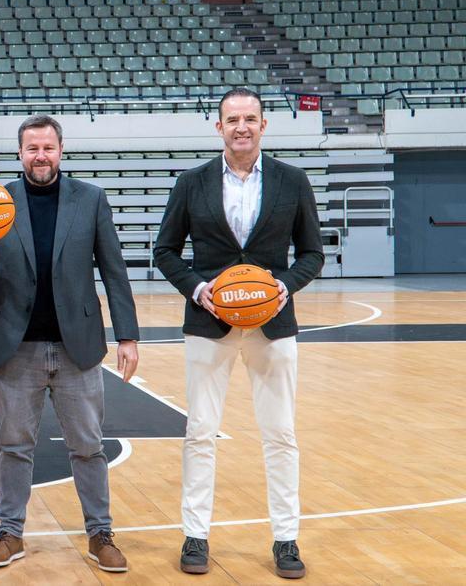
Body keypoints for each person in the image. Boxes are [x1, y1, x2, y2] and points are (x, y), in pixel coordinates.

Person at [0, 115, 140, 573]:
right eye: (32, 148)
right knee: (14, 445)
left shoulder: (90, 199)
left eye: (48, 148)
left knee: (88, 446)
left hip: (78, 346)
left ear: (61, 150)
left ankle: (100, 533)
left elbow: (114, 270)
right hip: (17, 348)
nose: (40, 156)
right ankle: (9, 533)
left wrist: (128, 336)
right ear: (19, 153)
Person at [153, 88, 324, 579]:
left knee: (281, 434)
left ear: (264, 125)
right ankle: (195, 535)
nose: (242, 127)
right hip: (210, 324)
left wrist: (283, 287)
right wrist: (199, 288)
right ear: (219, 126)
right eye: (233, 119)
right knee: (200, 432)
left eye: (250, 118)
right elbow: (164, 251)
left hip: (273, 326)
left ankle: (286, 539)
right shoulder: (192, 182)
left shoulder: (293, 181)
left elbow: (311, 253)